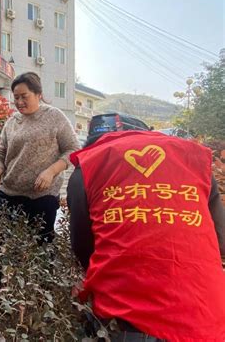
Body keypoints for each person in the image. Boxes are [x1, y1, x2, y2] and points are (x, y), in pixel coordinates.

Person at [67, 130, 225, 341]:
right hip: (203, 310)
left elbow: (82, 244)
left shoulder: (88, 164)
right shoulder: (193, 159)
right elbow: (221, 240)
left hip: (126, 314)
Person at [0, 72, 80, 243]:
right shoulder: (12, 122)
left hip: (42, 198)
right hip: (8, 194)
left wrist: (51, 172)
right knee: (0, 245)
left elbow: (73, 149)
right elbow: (1, 153)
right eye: (16, 97)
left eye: (24, 96)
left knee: (39, 250)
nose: (19, 102)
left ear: (38, 94)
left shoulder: (54, 117)